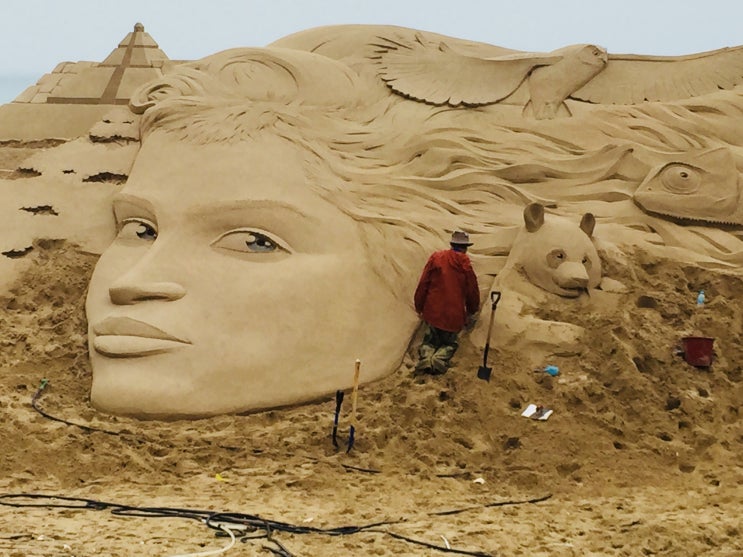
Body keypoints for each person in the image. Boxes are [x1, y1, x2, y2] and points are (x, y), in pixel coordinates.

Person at [414, 230, 480, 374]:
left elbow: (423, 283)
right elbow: (472, 290)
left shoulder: (436, 258)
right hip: (453, 316)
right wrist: (472, 310)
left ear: (452, 244)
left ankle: (426, 358)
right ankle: (439, 359)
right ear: (465, 248)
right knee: (449, 344)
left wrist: (419, 305)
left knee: (430, 340)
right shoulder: (466, 265)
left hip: (433, 311)